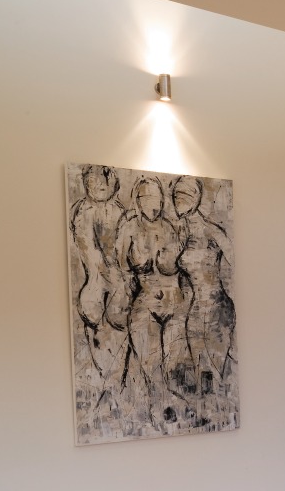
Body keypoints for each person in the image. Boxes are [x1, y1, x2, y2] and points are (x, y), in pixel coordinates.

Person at [115, 175, 189, 427]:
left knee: (171, 368)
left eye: (156, 196)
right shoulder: (128, 229)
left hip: (175, 307)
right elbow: (122, 271)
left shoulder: (174, 227)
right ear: (136, 199)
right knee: (152, 371)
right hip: (145, 305)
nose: (152, 203)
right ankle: (161, 414)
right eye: (145, 197)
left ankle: (164, 414)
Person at [170, 175, 235, 405]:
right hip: (196, 312)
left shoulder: (211, 231)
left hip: (217, 309)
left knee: (216, 376)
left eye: (185, 194)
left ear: (196, 198)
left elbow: (235, 261)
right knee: (202, 378)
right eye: (176, 195)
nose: (180, 199)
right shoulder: (181, 234)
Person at [68, 164, 128, 398]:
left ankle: (114, 389)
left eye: (104, 181)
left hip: (107, 292)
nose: (100, 186)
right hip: (100, 291)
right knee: (103, 339)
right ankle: (110, 389)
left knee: (116, 343)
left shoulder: (117, 210)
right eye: (93, 181)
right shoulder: (84, 211)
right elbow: (94, 256)